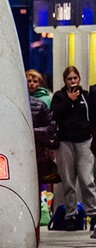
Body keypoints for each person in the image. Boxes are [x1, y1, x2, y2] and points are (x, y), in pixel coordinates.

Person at [50, 66, 96, 231]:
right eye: (69, 79)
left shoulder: (86, 96)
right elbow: (54, 114)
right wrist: (68, 100)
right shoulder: (59, 96)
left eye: (75, 78)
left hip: (84, 141)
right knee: (68, 181)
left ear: (79, 79)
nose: (73, 81)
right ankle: (71, 215)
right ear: (65, 81)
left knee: (86, 179)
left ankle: (93, 214)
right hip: (65, 142)